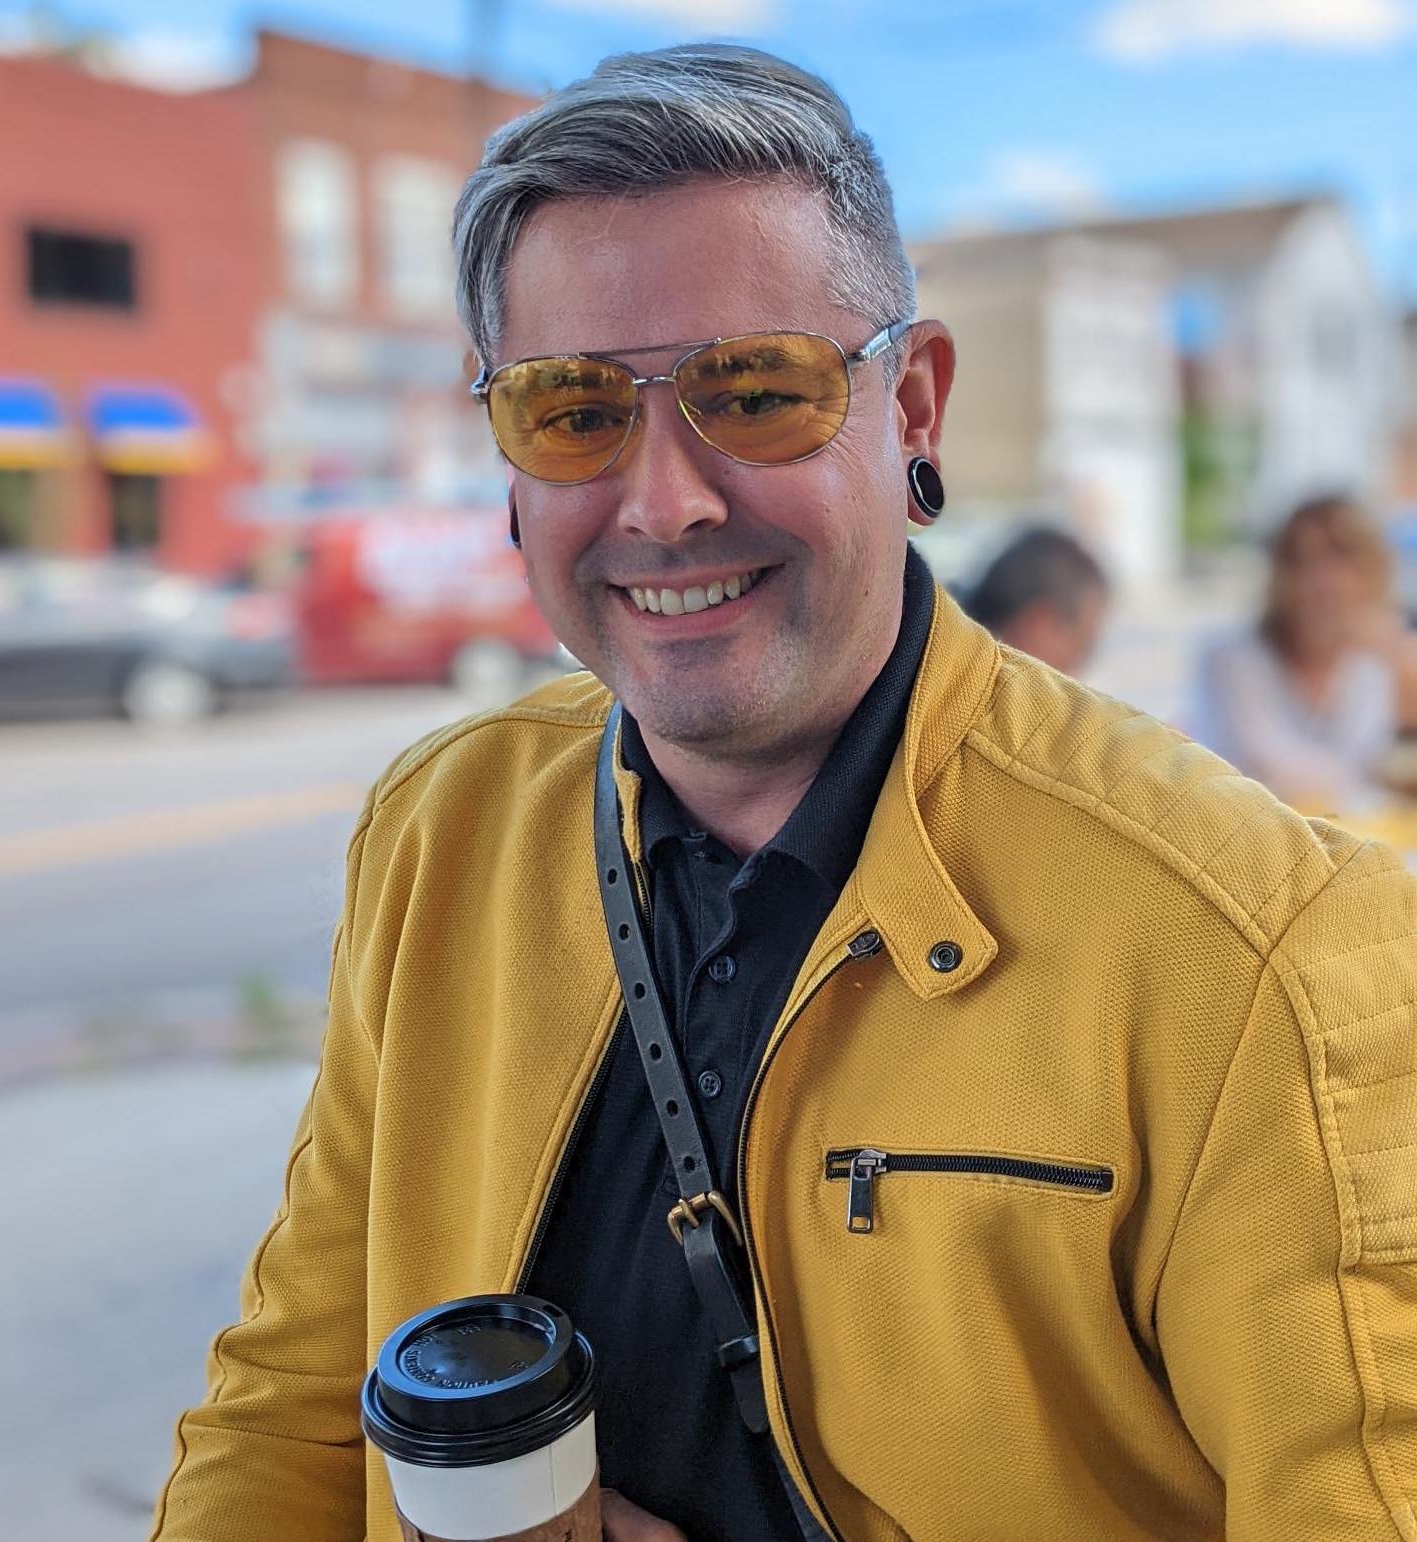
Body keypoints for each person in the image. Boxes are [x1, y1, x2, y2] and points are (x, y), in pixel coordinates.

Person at [150, 45, 1417, 1542]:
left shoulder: (1268, 957)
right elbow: (293, 1405)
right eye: (570, 411)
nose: (665, 498)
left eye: (754, 390)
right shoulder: (443, 833)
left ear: (916, 405)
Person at [1189, 494, 1398, 813]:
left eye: (1342, 560)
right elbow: (1268, 765)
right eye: (1303, 561)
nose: (1323, 581)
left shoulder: (1370, 662)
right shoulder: (1232, 657)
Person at [959, 523, 1109, 677]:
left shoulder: (945, 641)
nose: (1078, 672)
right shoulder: (971, 688)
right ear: (1041, 627)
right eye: (1081, 647)